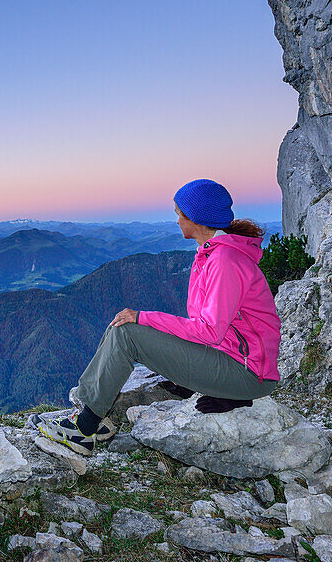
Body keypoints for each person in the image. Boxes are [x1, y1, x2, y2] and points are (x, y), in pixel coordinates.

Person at [39, 178, 281, 456]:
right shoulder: (213, 254)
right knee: (124, 326)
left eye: (180, 214)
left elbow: (210, 331)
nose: (177, 220)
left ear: (197, 219)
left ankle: (84, 428)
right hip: (233, 363)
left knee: (127, 332)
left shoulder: (224, 261)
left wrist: (144, 317)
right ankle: (96, 417)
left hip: (247, 375)